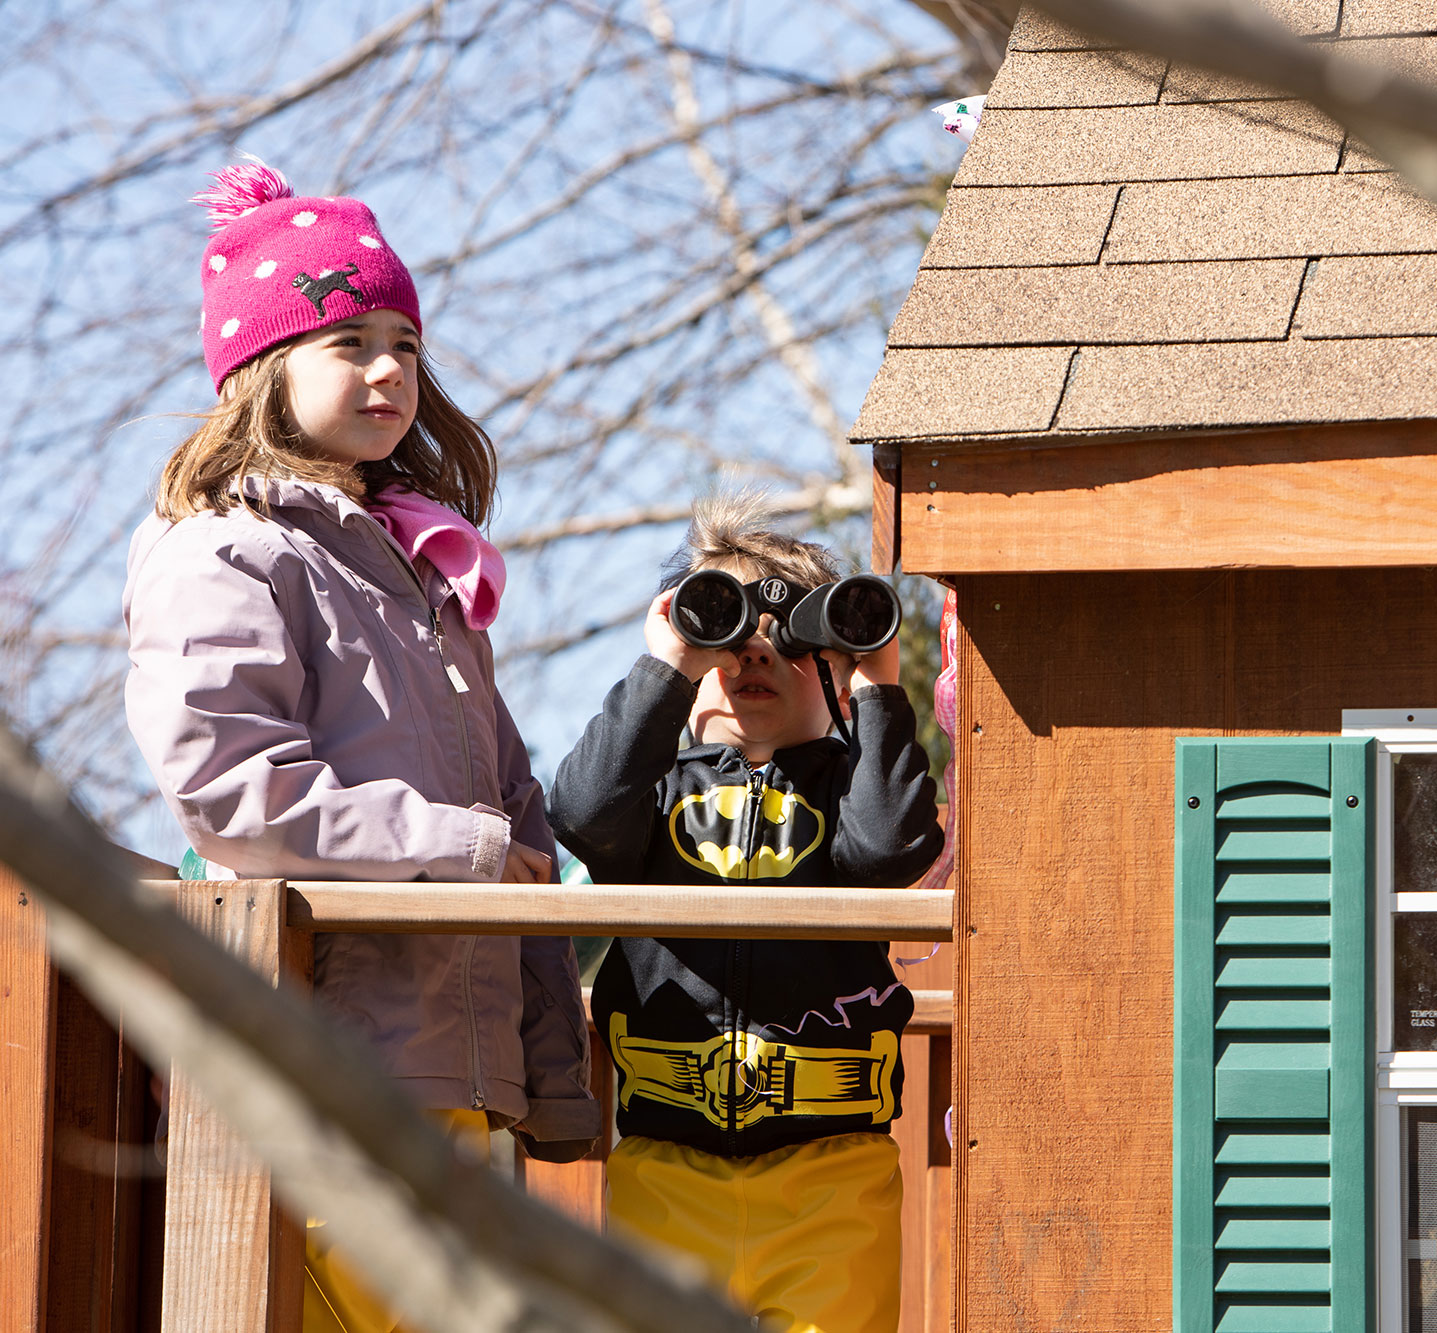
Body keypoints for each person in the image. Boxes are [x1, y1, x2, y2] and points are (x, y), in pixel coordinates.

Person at [123, 160, 597, 1332]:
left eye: (405, 341)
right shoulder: (224, 550)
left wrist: (551, 1057)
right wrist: (466, 852)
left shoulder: (415, 571)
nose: (390, 369)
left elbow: (510, 796)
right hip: (331, 1063)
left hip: (456, 1067)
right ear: (259, 370)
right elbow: (229, 787)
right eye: (348, 342)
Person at [548, 498, 943, 1333]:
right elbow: (582, 812)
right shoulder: (650, 799)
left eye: (795, 639)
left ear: (834, 667)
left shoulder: (848, 791)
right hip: (665, 1167)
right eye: (726, 629)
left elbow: (887, 851)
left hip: (832, 1176)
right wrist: (666, 669)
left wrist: (877, 688)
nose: (756, 651)